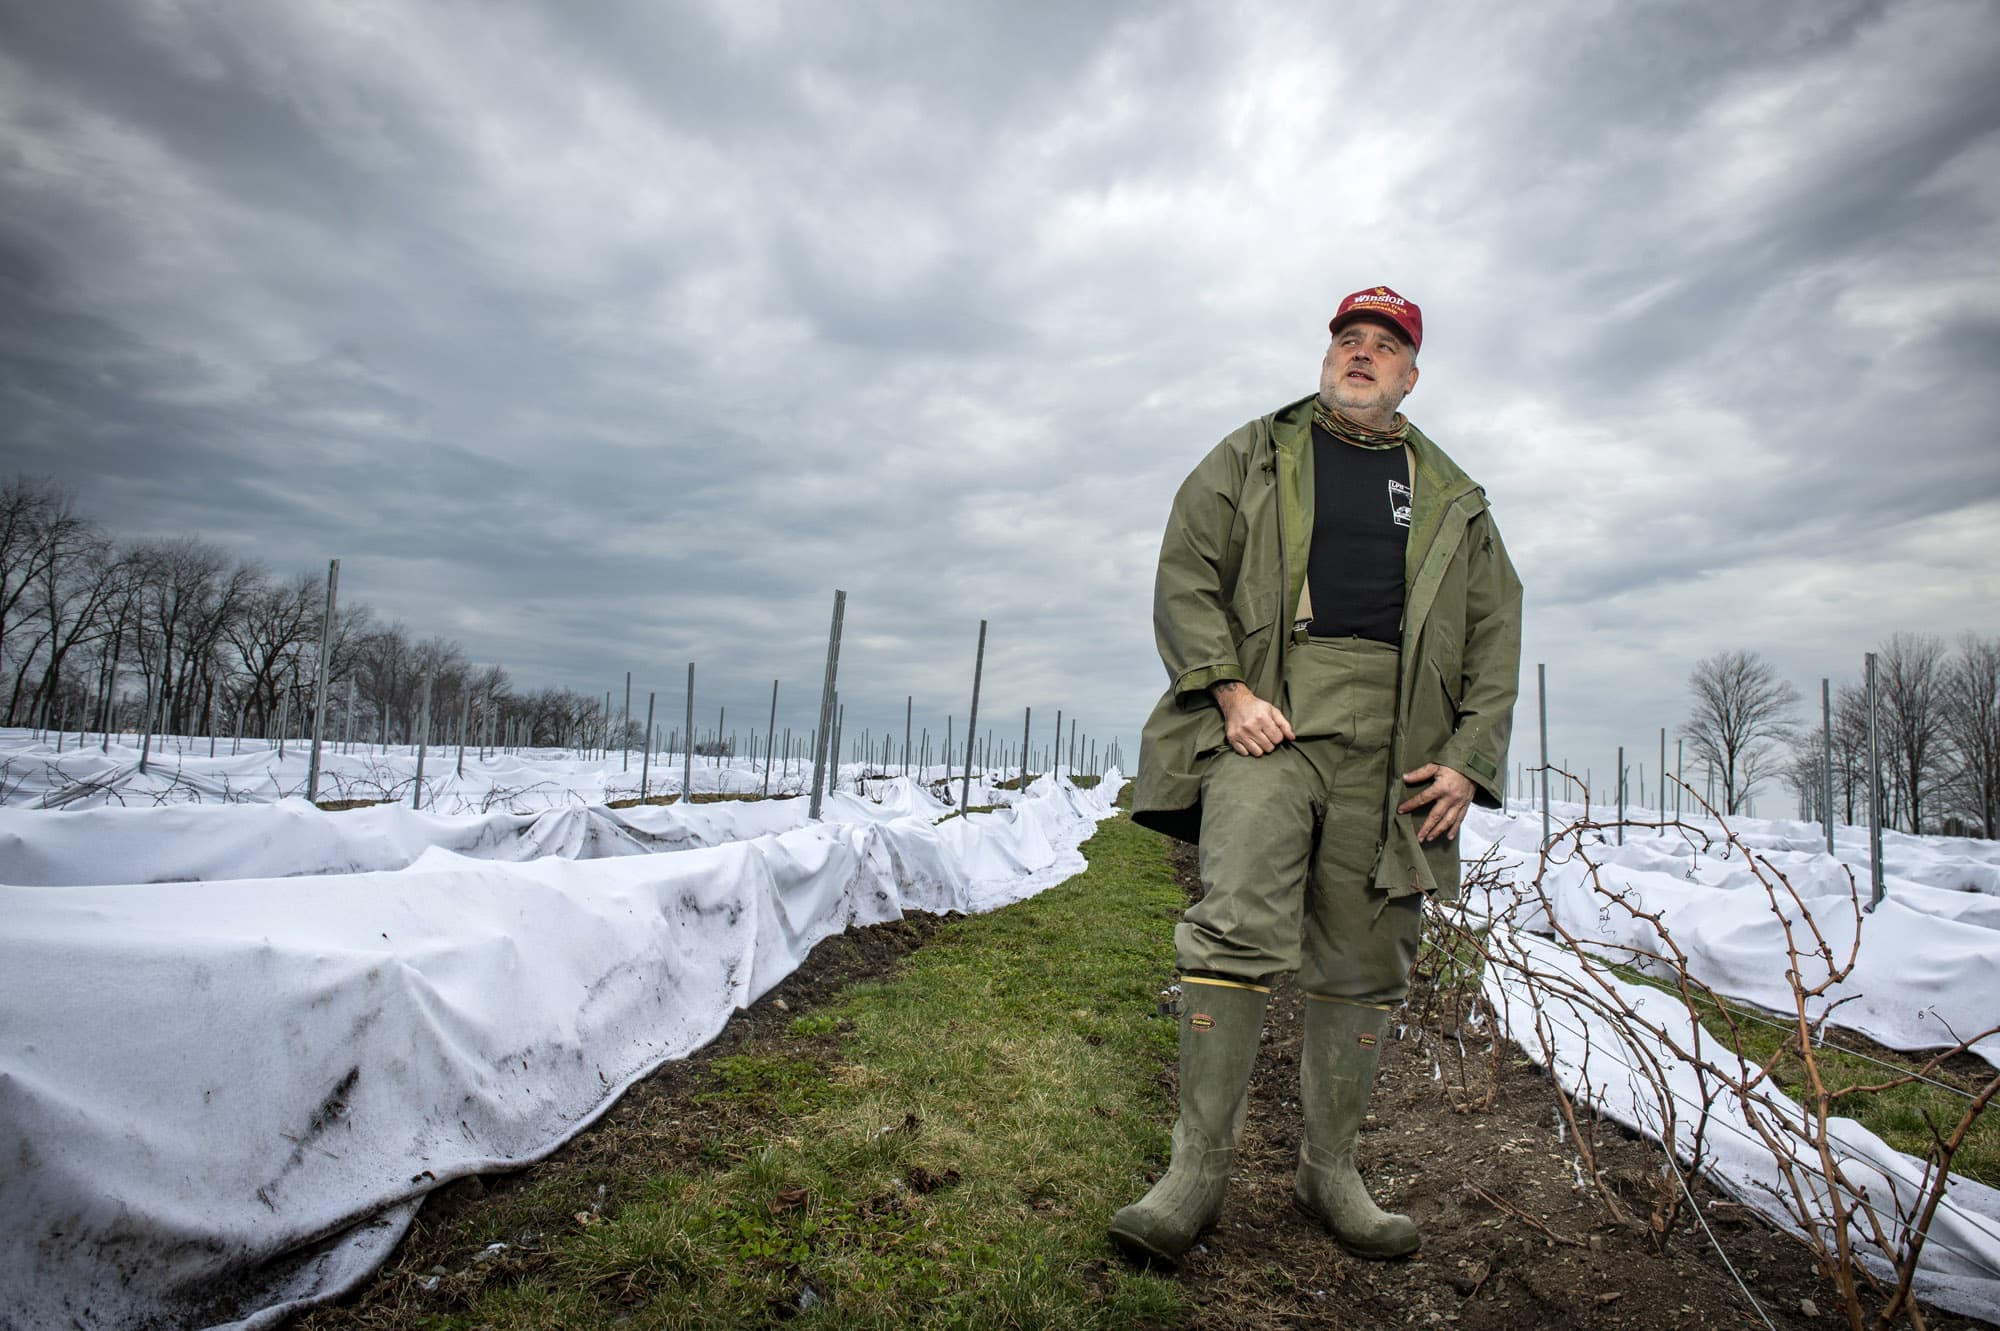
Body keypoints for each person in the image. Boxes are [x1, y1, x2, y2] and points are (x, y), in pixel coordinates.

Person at [1112, 285, 1523, 1265]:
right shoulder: (1254, 453)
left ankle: (1328, 1170)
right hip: (1275, 717)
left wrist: (1467, 761)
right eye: (1348, 338)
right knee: (1235, 921)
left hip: (1400, 744)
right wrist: (1229, 693)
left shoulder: (1454, 498)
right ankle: (1194, 1173)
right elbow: (1185, 570)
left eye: (1384, 345)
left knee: (1369, 955)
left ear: (1410, 375)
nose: (1361, 353)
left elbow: (1494, 636)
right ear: (1327, 354)